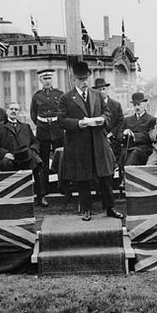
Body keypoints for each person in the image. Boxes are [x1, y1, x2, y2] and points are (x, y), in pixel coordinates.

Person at [57, 61, 122, 221]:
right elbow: (62, 120)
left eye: (86, 78)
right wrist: (79, 123)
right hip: (79, 144)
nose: (84, 82)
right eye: (81, 79)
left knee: (105, 176)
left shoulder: (97, 95)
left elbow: (108, 113)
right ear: (73, 80)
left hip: (98, 143)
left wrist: (102, 119)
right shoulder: (66, 98)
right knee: (83, 178)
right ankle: (86, 209)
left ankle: (110, 208)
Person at [0, 101, 48, 207]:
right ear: (6, 111)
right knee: (7, 164)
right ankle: (12, 198)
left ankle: (41, 196)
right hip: (10, 158)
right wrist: (5, 154)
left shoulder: (26, 126)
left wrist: (32, 152)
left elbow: (35, 142)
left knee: (37, 162)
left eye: (16, 110)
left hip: (26, 158)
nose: (13, 111)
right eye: (11, 109)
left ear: (19, 112)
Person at [30, 69, 64, 194]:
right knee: (43, 161)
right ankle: (45, 189)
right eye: (45, 79)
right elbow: (33, 114)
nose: (47, 81)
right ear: (40, 80)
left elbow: (63, 111)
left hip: (57, 130)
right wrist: (41, 124)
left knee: (60, 158)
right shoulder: (37, 96)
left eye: (49, 78)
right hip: (43, 130)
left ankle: (62, 186)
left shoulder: (59, 94)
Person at [119, 92, 157, 168]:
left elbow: (149, 136)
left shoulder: (151, 120)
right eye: (134, 105)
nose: (136, 107)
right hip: (128, 148)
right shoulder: (127, 119)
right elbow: (118, 136)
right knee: (122, 154)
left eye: (139, 104)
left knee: (134, 153)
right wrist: (124, 133)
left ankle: (128, 175)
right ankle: (120, 175)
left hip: (143, 149)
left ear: (144, 104)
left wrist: (134, 135)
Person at [92, 77, 124, 160]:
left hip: (113, 139)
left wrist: (111, 134)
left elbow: (120, 122)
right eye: (99, 90)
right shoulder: (92, 106)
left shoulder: (116, 105)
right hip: (99, 138)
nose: (102, 92)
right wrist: (104, 136)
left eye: (103, 89)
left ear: (107, 89)